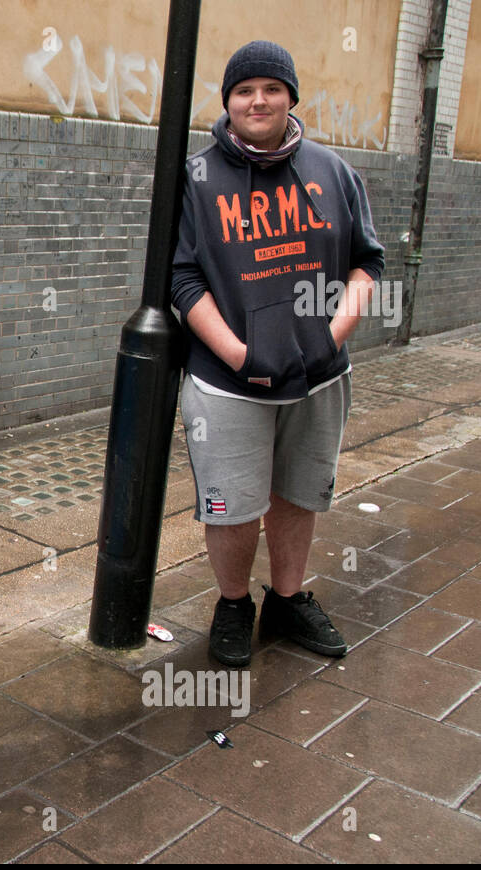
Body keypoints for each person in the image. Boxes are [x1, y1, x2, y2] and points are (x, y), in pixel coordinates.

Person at [171, 40, 385, 666]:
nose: (257, 100)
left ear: (291, 96)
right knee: (232, 504)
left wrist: (328, 340)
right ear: (228, 102)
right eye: (243, 90)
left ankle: (287, 601)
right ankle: (234, 603)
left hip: (318, 379)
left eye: (270, 87)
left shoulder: (333, 172)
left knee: (298, 494)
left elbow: (366, 264)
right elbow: (182, 281)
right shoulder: (197, 179)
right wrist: (241, 356)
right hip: (228, 383)